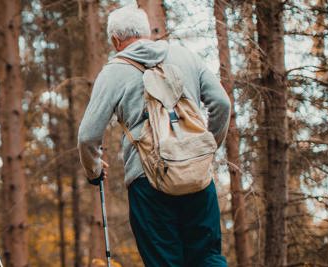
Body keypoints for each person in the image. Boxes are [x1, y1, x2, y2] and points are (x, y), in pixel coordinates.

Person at [77, 5, 231, 267]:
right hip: (197, 176)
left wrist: (94, 171)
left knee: (164, 261)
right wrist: (205, 149)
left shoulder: (113, 72)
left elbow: (88, 135)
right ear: (147, 32)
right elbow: (222, 104)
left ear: (115, 40)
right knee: (207, 257)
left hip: (148, 181)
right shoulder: (185, 56)